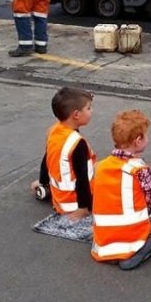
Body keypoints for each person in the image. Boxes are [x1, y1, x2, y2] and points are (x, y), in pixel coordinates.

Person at [91, 110, 151, 271]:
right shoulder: (141, 169)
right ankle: (137, 251)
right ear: (138, 141)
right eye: (146, 135)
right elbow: (150, 200)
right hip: (133, 235)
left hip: (103, 241)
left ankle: (113, 252)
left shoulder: (100, 167)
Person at [31, 86, 96, 221]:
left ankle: (46, 188)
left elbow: (47, 160)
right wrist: (84, 208)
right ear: (76, 114)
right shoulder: (77, 143)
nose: (91, 111)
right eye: (89, 108)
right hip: (74, 202)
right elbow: (82, 178)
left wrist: (43, 181)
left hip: (59, 197)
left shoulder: (53, 131)